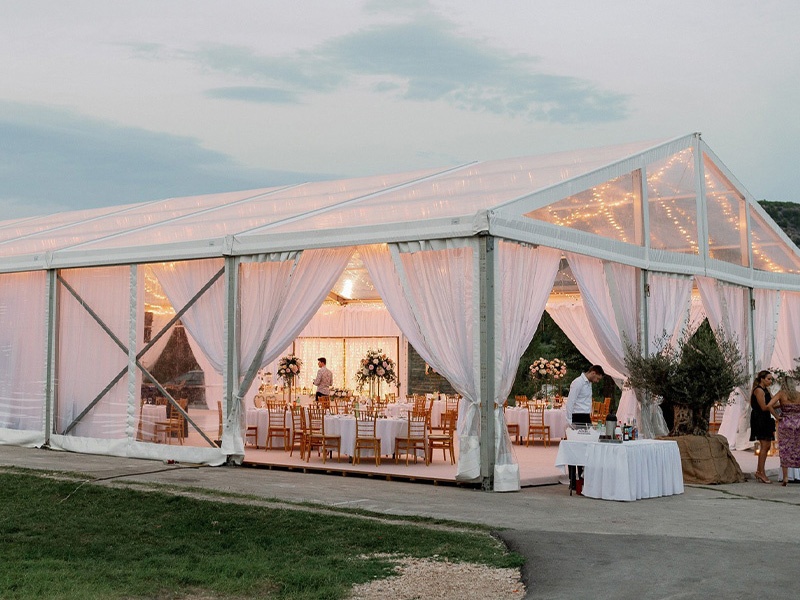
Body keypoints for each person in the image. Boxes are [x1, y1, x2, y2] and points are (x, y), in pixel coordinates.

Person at [750, 370, 782, 483]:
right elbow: (764, 407)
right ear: (762, 379)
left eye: (771, 379)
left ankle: (760, 471)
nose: (770, 381)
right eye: (768, 379)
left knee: (767, 446)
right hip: (759, 418)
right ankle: (761, 472)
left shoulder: (766, 390)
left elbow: (772, 403)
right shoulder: (758, 390)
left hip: (766, 418)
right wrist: (776, 416)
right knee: (764, 446)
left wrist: (784, 403)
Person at [771, 375, 800, 486]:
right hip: (798, 423)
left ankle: (786, 478)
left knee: (785, 449)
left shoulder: (781, 394)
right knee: (798, 449)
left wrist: (776, 416)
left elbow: (769, 405)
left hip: (785, 423)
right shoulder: (798, 394)